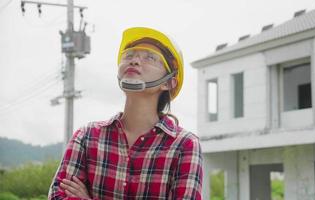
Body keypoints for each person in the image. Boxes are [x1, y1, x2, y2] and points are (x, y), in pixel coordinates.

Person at [48, 27, 203, 199]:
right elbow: (58, 195)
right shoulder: (87, 136)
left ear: (168, 83)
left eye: (150, 57)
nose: (135, 61)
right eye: (129, 55)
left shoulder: (185, 146)